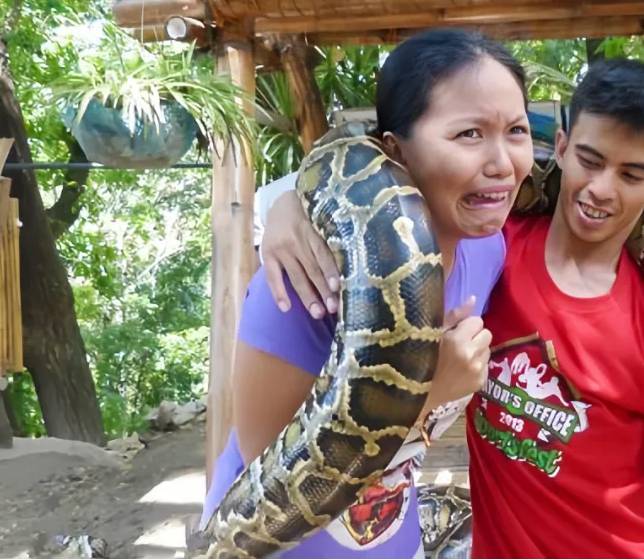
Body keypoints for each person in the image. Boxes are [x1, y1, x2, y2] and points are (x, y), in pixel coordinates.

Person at [261, 57, 644, 558]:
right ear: (560, 148)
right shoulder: (493, 249)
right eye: (589, 160)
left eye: (632, 175)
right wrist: (289, 205)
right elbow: (395, 188)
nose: (601, 189)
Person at [199, 28, 535, 559]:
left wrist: (290, 199)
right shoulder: (303, 287)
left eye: (517, 130)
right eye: (469, 134)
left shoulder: (488, 250)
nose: (502, 162)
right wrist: (430, 392)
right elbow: (282, 487)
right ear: (394, 149)